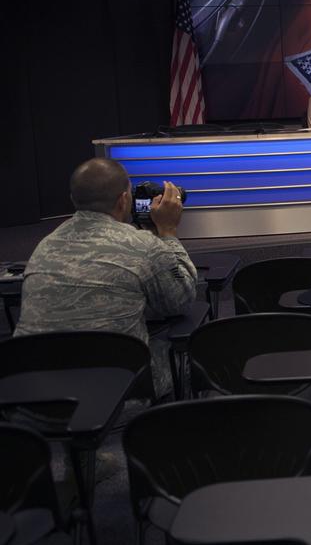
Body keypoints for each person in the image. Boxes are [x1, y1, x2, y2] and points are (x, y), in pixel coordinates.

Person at [15, 158, 198, 397]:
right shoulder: (145, 246)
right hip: (115, 398)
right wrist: (168, 232)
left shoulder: (45, 245)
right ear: (123, 200)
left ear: (73, 200)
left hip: (33, 400)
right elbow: (180, 300)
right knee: (188, 359)